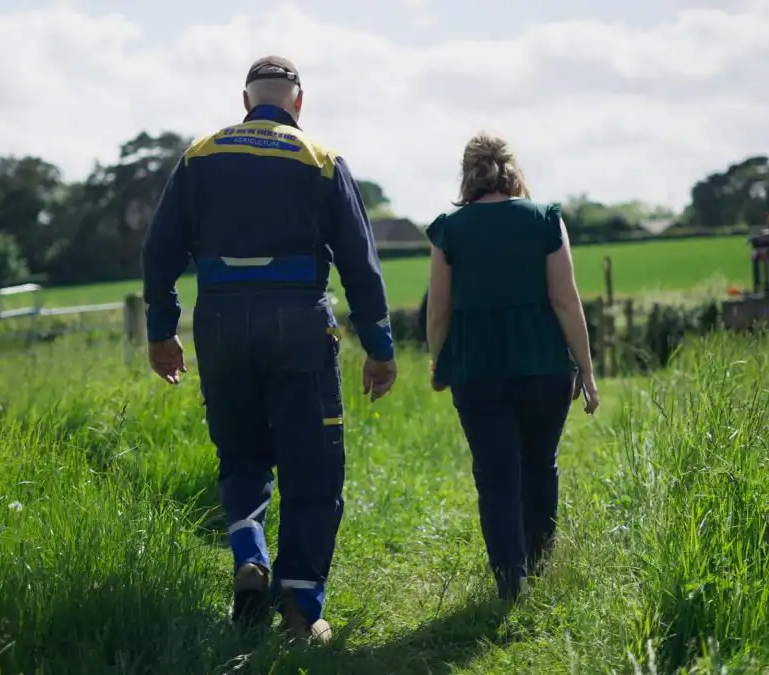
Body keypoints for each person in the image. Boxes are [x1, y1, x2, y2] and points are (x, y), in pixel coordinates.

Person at [140, 55, 399, 643]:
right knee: (314, 468)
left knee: (241, 454)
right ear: (298, 103)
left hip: (221, 324)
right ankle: (301, 615)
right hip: (299, 324)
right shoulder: (321, 159)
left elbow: (159, 251)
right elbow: (361, 263)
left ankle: (249, 556)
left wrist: (162, 331)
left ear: (245, 99)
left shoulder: (199, 155)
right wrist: (380, 348)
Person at [424, 131, 599, 602]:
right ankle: (540, 565)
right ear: (511, 169)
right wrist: (586, 368)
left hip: (476, 370)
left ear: (469, 173)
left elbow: (438, 309)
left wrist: (437, 360)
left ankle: (510, 581)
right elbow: (566, 300)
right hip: (544, 366)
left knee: (495, 474)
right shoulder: (545, 220)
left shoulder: (448, 230)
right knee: (540, 464)